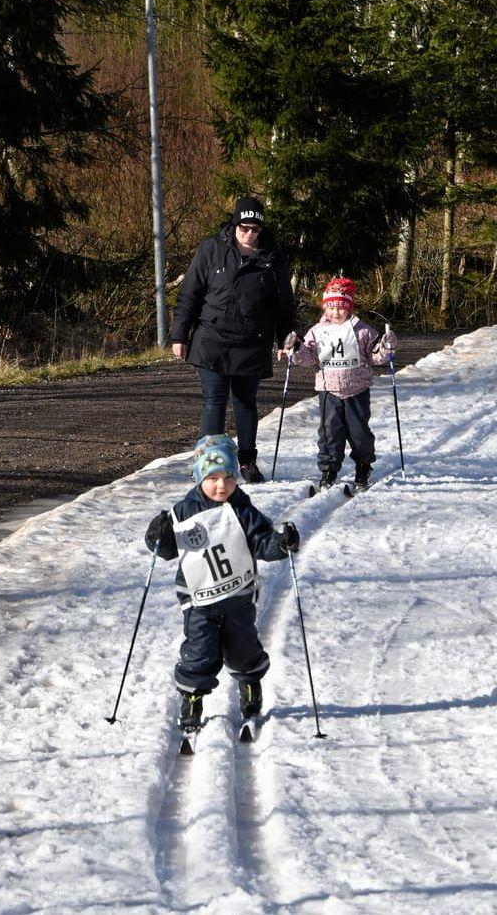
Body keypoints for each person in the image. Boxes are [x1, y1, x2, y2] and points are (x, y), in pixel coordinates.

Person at [144, 434, 300, 732]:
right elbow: (165, 550)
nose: (221, 485)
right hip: (198, 597)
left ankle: (251, 687)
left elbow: (262, 542)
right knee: (200, 650)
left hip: (238, 596)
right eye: (212, 477)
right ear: (199, 476)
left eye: (228, 477)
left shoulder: (243, 510)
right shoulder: (183, 511)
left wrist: (282, 544)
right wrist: (157, 535)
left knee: (243, 648)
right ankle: (192, 700)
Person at [170, 196, 297, 484]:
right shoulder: (211, 249)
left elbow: (284, 305)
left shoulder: (273, 257)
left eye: (255, 229)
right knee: (213, 400)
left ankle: (246, 461)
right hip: (211, 338)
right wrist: (180, 334)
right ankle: (209, 463)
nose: (250, 233)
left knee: (245, 402)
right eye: (244, 227)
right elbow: (190, 293)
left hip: (253, 341)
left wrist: (287, 337)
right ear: (234, 224)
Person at [281, 277, 397, 492]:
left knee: (358, 432)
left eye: (341, 307)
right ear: (325, 307)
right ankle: (328, 470)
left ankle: (363, 466)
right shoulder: (317, 331)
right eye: (331, 307)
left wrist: (386, 347)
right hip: (328, 390)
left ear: (349, 307)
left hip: (357, 390)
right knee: (329, 433)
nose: (335, 312)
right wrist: (295, 348)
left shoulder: (362, 330)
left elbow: (375, 356)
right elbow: (309, 357)